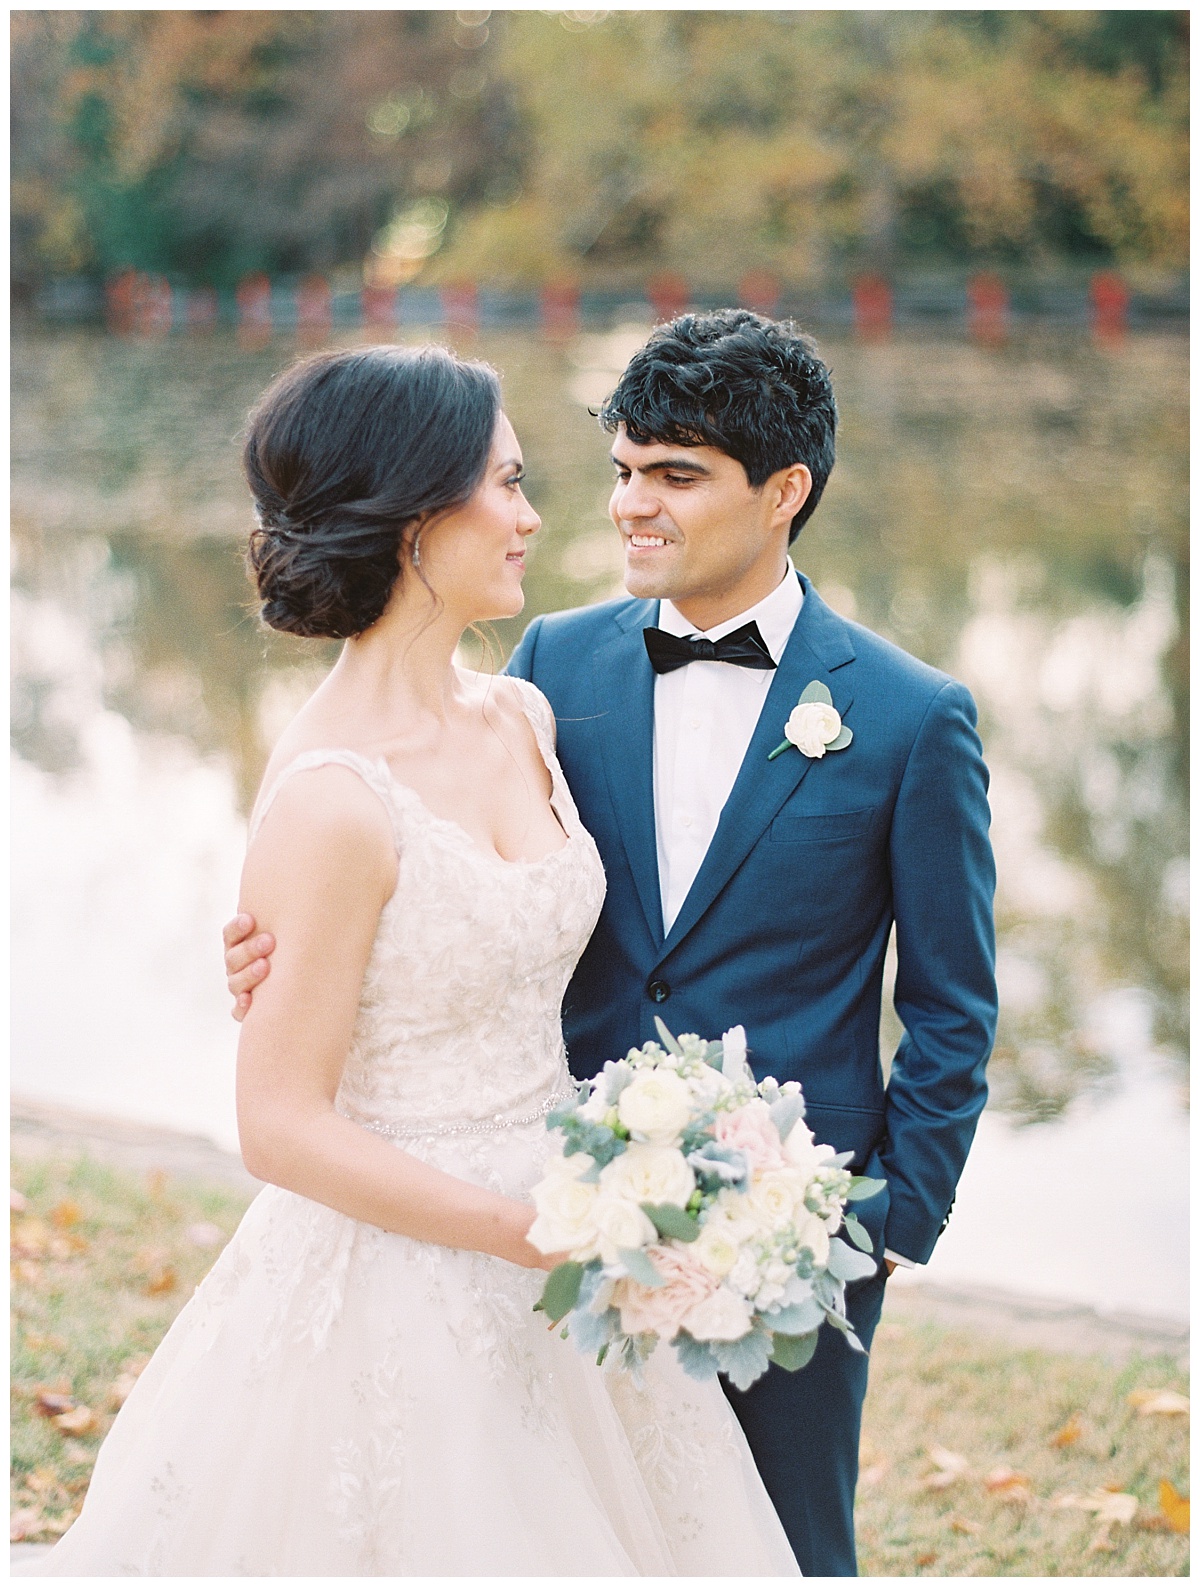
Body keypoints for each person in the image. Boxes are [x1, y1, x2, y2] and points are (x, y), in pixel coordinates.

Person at [228, 309, 998, 1577]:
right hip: (545, 1210)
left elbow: (954, 1008)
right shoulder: (548, 671)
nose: (631, 506)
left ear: (784, 491)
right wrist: (276, 952)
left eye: (677, 478)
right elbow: (421, 877)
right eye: (622, 470)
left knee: (783, 1549)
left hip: (787, 1239)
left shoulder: (912, 719)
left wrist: (881, 1232)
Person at [28, 344, 800, 1577]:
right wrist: (515, 1230)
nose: (535, 514)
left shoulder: (522, 716)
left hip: (567, 1240)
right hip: (409, 1276)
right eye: (503, 483)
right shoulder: (333, 798)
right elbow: (279, 1124)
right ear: (412, 518)